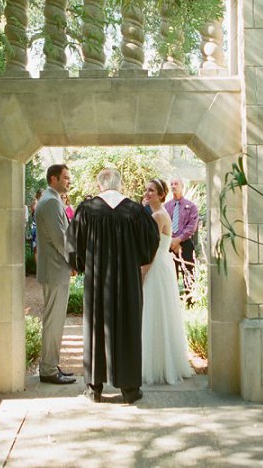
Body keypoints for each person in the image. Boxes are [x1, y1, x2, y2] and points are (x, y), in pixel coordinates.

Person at [69, 168, 159, 404]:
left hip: (98, 282)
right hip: (127, 279)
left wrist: (82, 264)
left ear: (100, 186)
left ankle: (94, 389)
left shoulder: (87, 210)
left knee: (96, 326)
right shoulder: (136, 211)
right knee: (128, 326)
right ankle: (129, 389)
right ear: (120, 186)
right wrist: (134, 260)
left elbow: (74, 244)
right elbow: (150, 243)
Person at [141, 179, 195, 385]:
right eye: (146, 190)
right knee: (158, 312)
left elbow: (150, 249)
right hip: (163, 264)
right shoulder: (158, 213)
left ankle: (155, 366)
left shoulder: (157, 216)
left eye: (152, 190)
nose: (147, 193)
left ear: (161, 195)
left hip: (156, 265)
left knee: (154, 312)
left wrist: (142, 274)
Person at [34, 165, 76, 385]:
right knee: (53, 321)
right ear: (53, 179)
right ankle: (49, 369)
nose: (69, 181)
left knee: (55, 320)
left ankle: (51, 364)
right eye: (66, 178)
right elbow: (60, 239)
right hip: (55, 270)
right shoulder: (51, 202)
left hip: (55, 269)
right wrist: (74, 261)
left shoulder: (53, 199)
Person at [164, 177, 199, 291]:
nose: (173, 186)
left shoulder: (191, 207)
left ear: (182, 187)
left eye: (176, 184)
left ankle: (190, 302)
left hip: (186, 244)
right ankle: (172, 301)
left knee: (188, 272)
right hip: (169, 245)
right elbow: (164, 225)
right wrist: (172, 241)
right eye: (172, 184)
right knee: (170, 275)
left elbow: (192, 226)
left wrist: (178, 240)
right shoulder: (166, 207)